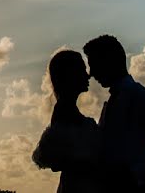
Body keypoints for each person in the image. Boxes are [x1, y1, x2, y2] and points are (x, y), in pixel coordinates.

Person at [82, 35, 145, 192]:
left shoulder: (140, 96)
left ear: (109, 62)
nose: (91, 73)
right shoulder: (113, 101)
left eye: (94, 65)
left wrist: (135, 175)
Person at [32, 49, 103, 193]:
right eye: (82, 70)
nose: (87, 75)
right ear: (71, 75)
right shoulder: (64, 110)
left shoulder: (66, 109)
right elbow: (57, 161)